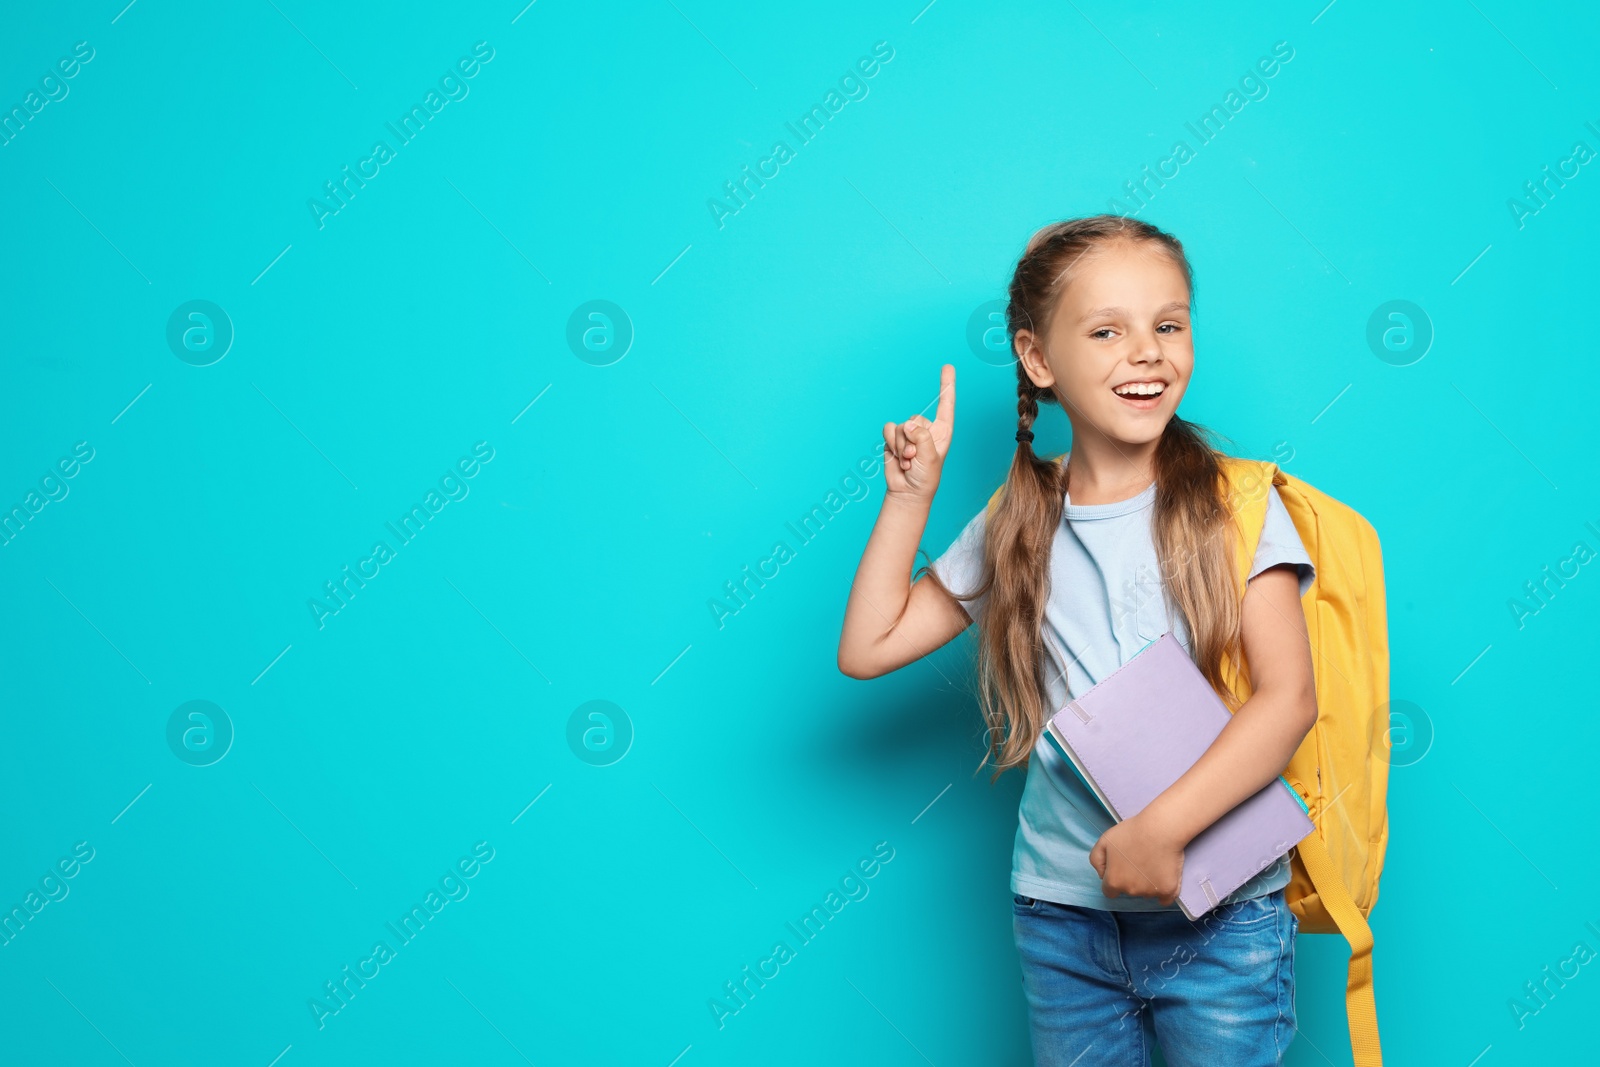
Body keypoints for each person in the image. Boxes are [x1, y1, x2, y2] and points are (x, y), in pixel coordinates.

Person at [836, 215, 1319, 1066]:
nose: (1147, 352)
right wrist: (910, 499)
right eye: (1107, 329)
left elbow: (1289, 701)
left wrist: (1163, 829)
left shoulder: (1238, 508)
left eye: (1168, 324)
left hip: (1225, 916)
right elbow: (869, 645)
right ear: (1037, 359)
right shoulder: (1018, 517)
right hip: (1062, 918)